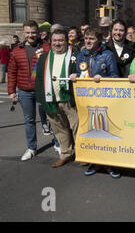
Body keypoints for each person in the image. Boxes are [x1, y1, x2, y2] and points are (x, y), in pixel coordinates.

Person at [70, 27, 120, 178]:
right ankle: (94, 162)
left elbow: (115, 76)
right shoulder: (81, 55)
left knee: (106, 132)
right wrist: (75, 76)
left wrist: (102, 79)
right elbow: (80, 75)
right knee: (91, 132)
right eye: (86, 38)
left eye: (91, 38)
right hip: (87, 100)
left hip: (105, 100)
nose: (88, 41)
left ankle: (111, 165)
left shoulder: (107, 55)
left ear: (98, 40)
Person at [7, 20, 60, 161]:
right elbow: (12, 72)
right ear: (24, 33)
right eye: (28, 32)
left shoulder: (46, 48)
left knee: (52, 116)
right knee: (29, 120)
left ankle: (58, 143)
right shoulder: (17, 50)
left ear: (38, 33)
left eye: (34, 32)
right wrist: (11, 91)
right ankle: (31, 148)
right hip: (24, 91)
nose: (31, 35)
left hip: (43, 89)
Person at [35, 29, 79, 168]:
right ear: (51, 41)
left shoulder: (75, 55)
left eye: (60, 40)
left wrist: (77, 74)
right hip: (51, 101)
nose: (57, 43)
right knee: (60, 130)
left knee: (78, 128)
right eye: (55, 40)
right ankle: (65, 154)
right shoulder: (43, 58)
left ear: (66, 41)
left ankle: (82, 154)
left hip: (70, 100)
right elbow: (38, 79)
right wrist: (42, 100)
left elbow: (84, 71)